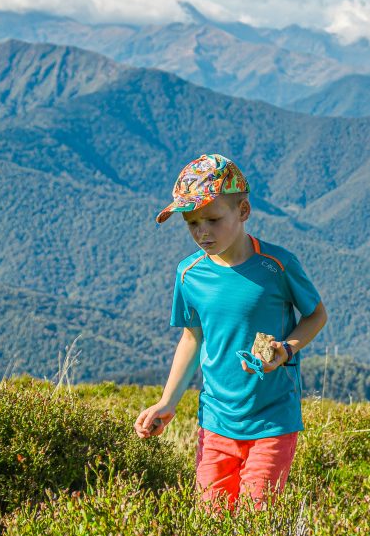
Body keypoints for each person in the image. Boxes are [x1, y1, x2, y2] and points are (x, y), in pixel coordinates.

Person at [134, 154, 329, 510]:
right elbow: (192, 338)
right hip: (216, 423)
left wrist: (285, 350)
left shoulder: (278, 266)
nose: (202, 232)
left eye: (212, 219)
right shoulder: (188, 274)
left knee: (257, 520)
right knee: (211, 521)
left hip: (273, 419)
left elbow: (316, 315)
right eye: (191, 223)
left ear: (243, 211)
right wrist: (167, 402)